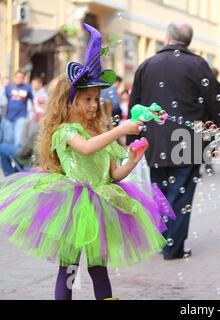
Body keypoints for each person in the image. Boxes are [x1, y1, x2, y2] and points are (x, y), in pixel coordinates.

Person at [0, 23, 175, 300]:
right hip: (72, 205)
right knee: (68, 267)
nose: (94, 105)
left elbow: (115, 175)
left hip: (102, 204)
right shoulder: (66, 131)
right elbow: (84, 148)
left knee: (98, 268)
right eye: (87, 99)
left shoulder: (100, 133)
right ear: (68, 103)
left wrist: (132, 159)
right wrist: (119, 131)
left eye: (96, 98)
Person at [127, 21, 220, 260]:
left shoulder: (146, 65)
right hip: (188, 140)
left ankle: (163, 239)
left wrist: (134, 137)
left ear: (166, 38)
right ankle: (173, 247)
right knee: (181, 194)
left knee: (160, 192)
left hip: (154, 139)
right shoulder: (197, 64)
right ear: (189, 42)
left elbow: (135, 106)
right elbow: (217, 101)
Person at [1, 70, 34, 176]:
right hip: (9, 118)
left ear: (23, 78)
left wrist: (32, 112)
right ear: (14, 78)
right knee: (7, 143)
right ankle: (9, 172)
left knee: (18, 145)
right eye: (17, 77)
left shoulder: (27, 88)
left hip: (21, 118)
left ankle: (20, 170)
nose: (19, 79)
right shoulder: (8, 87)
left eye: (21, 77)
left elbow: (32, 101)